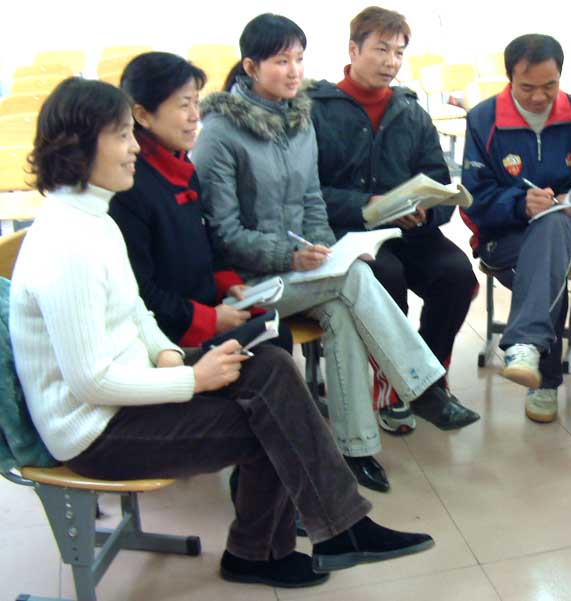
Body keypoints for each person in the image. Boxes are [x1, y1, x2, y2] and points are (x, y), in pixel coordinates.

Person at [10, 76, 435, 590]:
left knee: (270, 364)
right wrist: (193, 379)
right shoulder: (68, 245)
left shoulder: (94, 218)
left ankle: (326, 534)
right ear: (79, 146)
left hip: (131, 387)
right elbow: (90, 382)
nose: (134, 148)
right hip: (94, 431)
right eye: (122, 136)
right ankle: (274, 549)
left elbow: (135, 311)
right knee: (273, 422)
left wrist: (168, 354)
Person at [193, 14, 478, 496]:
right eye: (281, 61)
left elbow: (311, 203)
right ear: (250, 67)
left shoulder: (299, 121)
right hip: (249, 281)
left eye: (299, 59)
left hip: (301, 273)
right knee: (357, 279)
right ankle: (422, 387)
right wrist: (292, 254)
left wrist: (326, 249)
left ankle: (356, 450)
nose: (294, 71)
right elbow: (223, 234)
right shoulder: (221, 134)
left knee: (346, 305)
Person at [308, 6, 478, 435]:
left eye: (399, 52)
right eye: (381, 50)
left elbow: (439, 180)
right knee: (386, 277)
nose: (391, 62)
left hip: (409, 231)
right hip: (349, 235)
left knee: (457, 275)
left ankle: (429, 380)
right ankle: (394, 388)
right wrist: (366, 205)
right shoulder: (316, 111)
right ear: (353, 50)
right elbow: (308, 193)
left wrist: (427, 210)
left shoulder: (411, 111)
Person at [109, 52, 292, 353]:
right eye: (184, 105)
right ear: (142, 115)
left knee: (274, 330)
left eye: (196, 102)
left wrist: (229, 284)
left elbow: (207, 244)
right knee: (271, 348)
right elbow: (142, 293)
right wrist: (208, 319)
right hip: (171, 331)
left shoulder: (182, 166)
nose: (196, 115)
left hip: (205, 306)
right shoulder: (130, 187)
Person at [462, 33, 571, 423]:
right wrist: (520, 205)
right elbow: (473, 198)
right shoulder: (483, 119)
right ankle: (545, 380)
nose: (540, 96)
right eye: (528, 87)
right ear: (510, 79)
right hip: (502, 238)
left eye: (550, 86)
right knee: (549, 268)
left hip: (563, 229)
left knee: (552, 233)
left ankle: (525, 347)